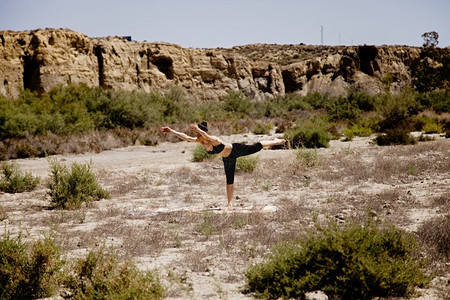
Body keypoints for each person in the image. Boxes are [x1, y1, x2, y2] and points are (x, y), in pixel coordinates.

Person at [160, 122, 286, 210]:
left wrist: (198, 130)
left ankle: (275, 141)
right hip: (227, 158)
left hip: (236, 149)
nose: (198, 136)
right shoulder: (200, 140)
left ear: (203, 132)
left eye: (200, 133)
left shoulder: (213, 139)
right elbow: (186, 137)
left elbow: (207, 136)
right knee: (229, 181)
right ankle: (230, 205)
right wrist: (171, 131)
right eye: (198, 134)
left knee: (256, 147)